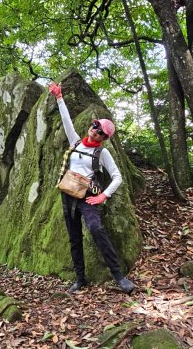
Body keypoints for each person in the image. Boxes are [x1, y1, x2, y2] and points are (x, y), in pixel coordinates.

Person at [49, 81, 135, 294]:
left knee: (96, 229)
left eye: (101, 133)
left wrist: (102, 197)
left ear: (105, 139)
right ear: (91, 125)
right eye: (95, 127)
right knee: (74, 237)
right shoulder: (76, 142)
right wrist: (59, 97)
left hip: (87, 197)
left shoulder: (103, 154)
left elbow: (117, 177)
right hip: (68, 195)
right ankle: (80, 278)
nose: (96, 132)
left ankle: (118, 276)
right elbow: (66, 121)